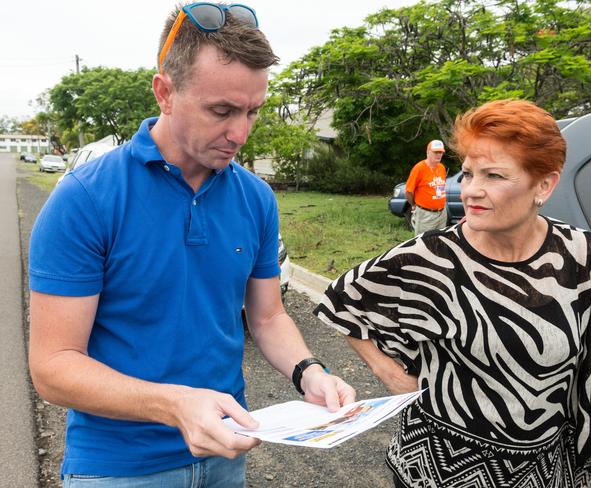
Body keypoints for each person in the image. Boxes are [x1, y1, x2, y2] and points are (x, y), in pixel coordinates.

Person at [28, 3, 355, 487]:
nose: (240, 133)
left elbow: (266, 317)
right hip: (118, 466)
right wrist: (176, 404)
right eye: (221, 110)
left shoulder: (256, 198)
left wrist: (309, 371)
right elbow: (53, 367)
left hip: (226, 455)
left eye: (252, 111)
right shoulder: (87, 198)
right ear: (165, 92)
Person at [315, 99, 591, 488]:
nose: (471, 190)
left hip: (540, 474)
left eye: (493, 176)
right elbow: (345, 303)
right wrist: (391, 373)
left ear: (544, 184)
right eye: (469, 173)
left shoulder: (582, 256)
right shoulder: (432, 256)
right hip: (436, 470)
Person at [405, 139, 448, 234]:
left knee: (439, 240)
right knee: (423, 243)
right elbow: (408, 191)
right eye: (436, 152)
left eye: (441, 152)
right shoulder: (419, 168)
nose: (439, 155)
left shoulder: (441, 167)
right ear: (428, 152)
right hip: (426, 214)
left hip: (442, 213)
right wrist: (414, 205)